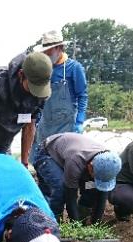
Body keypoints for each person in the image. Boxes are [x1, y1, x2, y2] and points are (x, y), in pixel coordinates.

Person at [33, 132, 122, 222]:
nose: (95, 181)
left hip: (70, 157)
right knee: (59, 188)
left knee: (92, 186)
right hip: (47, 153)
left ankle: (82, 216)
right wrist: (75, 225)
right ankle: (53, 222)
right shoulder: (76, 161)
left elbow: (102, 194)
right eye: (96, 178)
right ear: (90, 167)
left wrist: (96, 222)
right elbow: (70, 196)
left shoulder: (110, 162)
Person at [30, 31, 89, 165]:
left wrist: (79, 122)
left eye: (49, 52)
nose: (46, 55)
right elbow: (38, 97)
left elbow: (82, 96)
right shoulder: (44, 69)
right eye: (44, 52)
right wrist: (36, 120)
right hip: (45, 126)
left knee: (65, 163)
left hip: (67, 126)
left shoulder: (74, 68)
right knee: (41, 163)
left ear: (59, 48)